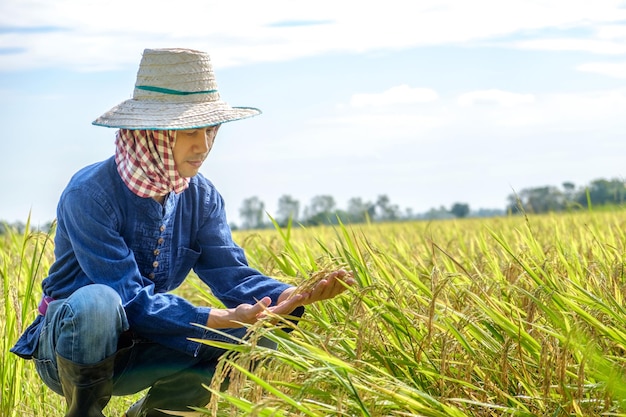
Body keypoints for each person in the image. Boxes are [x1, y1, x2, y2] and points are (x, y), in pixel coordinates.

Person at [11, 48, 355, 417]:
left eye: (211, 130)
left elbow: (232, 274)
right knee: (99, 301)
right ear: (152, 133)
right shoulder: (90, 194)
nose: (204, 146)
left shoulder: (200, 197)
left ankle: (156, 413)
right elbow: (127, 298)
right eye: (190, 131)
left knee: (257, 341)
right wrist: (216, 319)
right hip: (70, 347)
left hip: (146, 341)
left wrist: (294, 295)